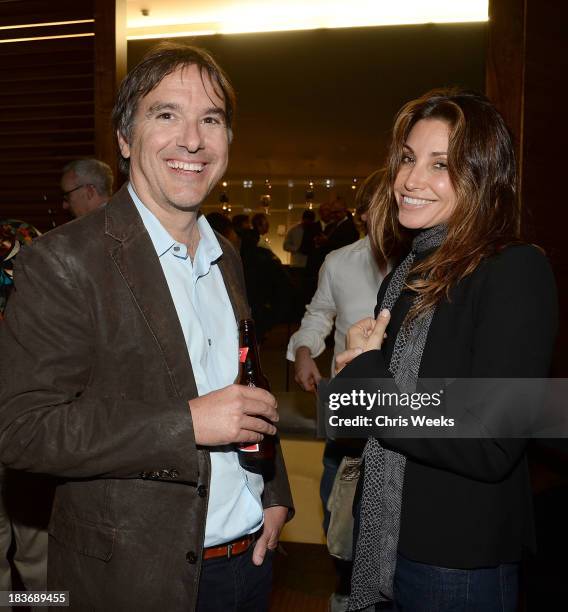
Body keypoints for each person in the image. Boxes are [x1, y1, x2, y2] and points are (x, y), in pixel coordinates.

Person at [0, 42, 293, 612]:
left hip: (249, 563)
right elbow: (22, 429)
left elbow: (241, 384)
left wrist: (274, 492)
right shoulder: (63, 261)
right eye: (166, 115)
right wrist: (186, 422)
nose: (192, 139)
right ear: (125, 139)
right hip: (132, 582)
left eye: (211, 119)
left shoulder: (225, 255)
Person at [333, 89, 557, 611]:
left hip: (455, 562)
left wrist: (366, 375)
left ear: (483, 175)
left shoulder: (513, 269)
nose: (412, 180)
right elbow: (351, 421)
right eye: (409, 159)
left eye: (442, 165)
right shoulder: (412, 270)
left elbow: (491, 439)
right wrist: (353, 379)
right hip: (386, 542)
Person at [286, 171, 388, 612]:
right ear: (363, 214)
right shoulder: (340, 262)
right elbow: (319, 313)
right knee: (339, 506)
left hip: (405, 403)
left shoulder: (426, 265)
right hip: (348, 409)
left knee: (389, 508)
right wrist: (305, 351)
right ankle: (346, 587)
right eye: (380, 207)